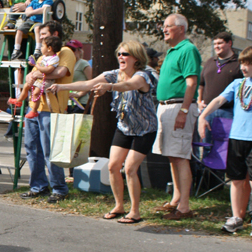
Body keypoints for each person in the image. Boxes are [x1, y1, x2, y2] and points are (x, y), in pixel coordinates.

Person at [50, 41, 158, 223]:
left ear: (136, 58)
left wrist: (109, 87)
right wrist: (62, 87)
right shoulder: (114, 74)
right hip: (124, 127)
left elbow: (128, 85)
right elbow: (88, 83)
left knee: (130, 168)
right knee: (113, 166)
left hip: (145, 129)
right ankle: (119, 206)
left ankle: (135, 212)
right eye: (119, 54)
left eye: (125, 54)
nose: (121, 57)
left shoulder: (143, 75)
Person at [197, 46, 252, 238]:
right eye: (242, 63)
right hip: (236, 138)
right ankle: (236, 218)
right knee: (236, 180)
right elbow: (218, 100)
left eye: (247, 64)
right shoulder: (237, 84)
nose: (242, 67)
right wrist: (203, 116)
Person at [19, 21, 75, 202]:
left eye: (44, 35)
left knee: (50, 150)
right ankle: (38, 186)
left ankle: (59, 188)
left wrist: (37, 74)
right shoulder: (44, 55)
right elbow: (32, 74)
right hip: (34, 106)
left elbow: (60, 72)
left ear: (55, 34)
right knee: (32, 148)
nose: (41, 38)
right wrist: (32, 76)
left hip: (51, 108)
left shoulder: (65, 52)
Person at [152, 13, 201, 220]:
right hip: (166, 107)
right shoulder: (172, 51)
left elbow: (191, 83)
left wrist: (184, 111)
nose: (164, 29)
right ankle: (176, 200)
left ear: (181, 28)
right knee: (173, 155)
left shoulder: (188, 50)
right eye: (163, 26)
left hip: (179, 106)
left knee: (181, 156)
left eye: (168, 26)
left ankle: (184, 208)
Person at [7, 36, 62, 119]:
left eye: (42, 46)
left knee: (36, 93)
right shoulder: (44, 57)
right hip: (40, 78)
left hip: (47, 80)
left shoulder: (54, 58)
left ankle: (34, 111)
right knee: (26, 85)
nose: (41, 48)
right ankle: (19, 100)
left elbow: (48, 70)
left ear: (49, 48)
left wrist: (36, 65)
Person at [197, 32, 241, 122]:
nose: (216, 46)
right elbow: (201, 85)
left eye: (220, 43)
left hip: (228, 112)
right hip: (207, 110)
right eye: (214, 44)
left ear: (229, 43)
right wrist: (199, 102)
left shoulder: (239, 63)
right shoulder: (210, 62)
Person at [66, 39, 92, 113]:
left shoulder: (83, 63)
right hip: (67, 102)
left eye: (73, 49)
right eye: (68, 49)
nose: (70, 52)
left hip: (81, 102)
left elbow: (91, 82)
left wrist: (79, 94)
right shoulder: (66, 64)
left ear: (79, 51)